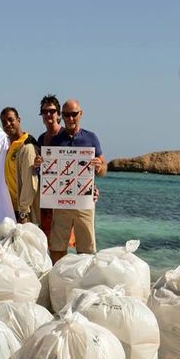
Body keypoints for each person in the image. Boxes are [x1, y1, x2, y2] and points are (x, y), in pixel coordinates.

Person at [48, 99, 107, 263]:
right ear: (62, 116)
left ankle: (83, 283)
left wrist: (99, 166)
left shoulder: (91, 138)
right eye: (66, 115)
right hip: (62, 203)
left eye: (73, 114)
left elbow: (103, 171)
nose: (70, 118)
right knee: (57, 247)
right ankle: (58, 280)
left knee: (86, 250)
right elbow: (49, 170)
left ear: (80, 114)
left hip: (84, 202)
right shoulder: (56, 140)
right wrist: (40, 164)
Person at [0, 107, 39, 225]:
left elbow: (30, 182)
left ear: (19, 120)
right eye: (4, 122)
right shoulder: (8, 145)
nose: (8, 124)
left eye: (11, 120)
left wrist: (23, 212)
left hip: (24, 213)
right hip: (11, 209)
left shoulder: (27, 146)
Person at [36, 94, 63, 237]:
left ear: (58, 114)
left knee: (62, 239)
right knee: (45, 236)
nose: (48, 114)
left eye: (52, 111)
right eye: (45, 111)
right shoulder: (41, 138)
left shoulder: (65, 136)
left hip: (63, 199)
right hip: (46, 196)